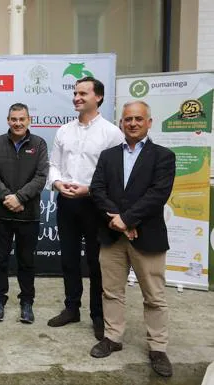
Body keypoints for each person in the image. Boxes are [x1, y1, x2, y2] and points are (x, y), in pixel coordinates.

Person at [89, 101, 175, 377]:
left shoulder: (163, 156)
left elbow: (158, 194)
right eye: (128, 119)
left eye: (139, 119)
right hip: (112, 236)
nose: (133, 123)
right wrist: (117, 220)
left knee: (154, 296)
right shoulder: (108, 156)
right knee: (111, 291)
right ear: (121, 123)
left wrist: (127, 220)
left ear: (149, 122)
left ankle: (158, 348)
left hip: (146, 236)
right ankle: (113, 338)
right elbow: (97, 190)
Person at [47, 77, 124, 340]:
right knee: (68, 259)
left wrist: (88, 189)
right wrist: (57, 182)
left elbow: (114, 175)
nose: (77, 97)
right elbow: (54, 164)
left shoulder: (112, 133)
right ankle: (71, 308)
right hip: (67, 202)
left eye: (83, 93)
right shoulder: (63, 131)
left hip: (95, 204)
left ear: (98, 97)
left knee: (96, 262)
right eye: (75, 93)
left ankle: (98, 316)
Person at [0, 103, 48, 324]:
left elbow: (41, 176)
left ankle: (27, 302)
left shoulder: (39, 144)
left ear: (29, 120)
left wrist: (20, 198)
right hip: (1, 214)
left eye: (22, 119)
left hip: (28, 215)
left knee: (26, 261)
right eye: (14, 119)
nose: (18, 123)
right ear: (8, 120)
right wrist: (7, 198)